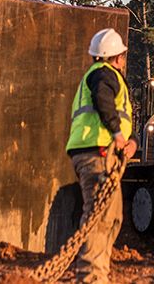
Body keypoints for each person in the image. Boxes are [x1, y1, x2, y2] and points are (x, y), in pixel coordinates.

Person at [64, 28, 137, 283]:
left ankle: (99, 274)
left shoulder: (104, 75)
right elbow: (103, 102)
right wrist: (117, 134)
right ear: (116, 57)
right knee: (99, 217)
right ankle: (89, 277)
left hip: (104, 154)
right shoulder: (103, 75)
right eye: (123, 56)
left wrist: (130, 143)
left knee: (112, 216)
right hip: (97, 154)